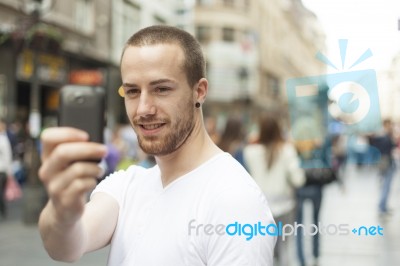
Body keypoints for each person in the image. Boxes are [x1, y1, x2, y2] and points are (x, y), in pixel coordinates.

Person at [38, 25, 276, 265]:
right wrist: (61, 207)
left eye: (161, 89)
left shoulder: (236, 201)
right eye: (132, 91)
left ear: (199, 91)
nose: (143, 109)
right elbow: (65, 247)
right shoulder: (127, 184)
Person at [243, 114, 305, 266]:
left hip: (260, 208)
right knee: (284, 250)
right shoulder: (287, 150)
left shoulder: (250, 151)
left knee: (263, 251)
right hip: (285, 207)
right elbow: (299, 180)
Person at [368, 119, 397, 215]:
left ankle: (383, 206)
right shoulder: (382, 136)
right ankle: (382, 206)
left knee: (386, 186)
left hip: (387, 161)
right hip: (385, 162)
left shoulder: (385, 135)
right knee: (385, 185)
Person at [0, 118, 13, 218]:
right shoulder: (4, 139)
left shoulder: (3, 139)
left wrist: (9, 172)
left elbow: (8, 156)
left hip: (2, 170)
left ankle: (3, 210)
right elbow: (8, 156)